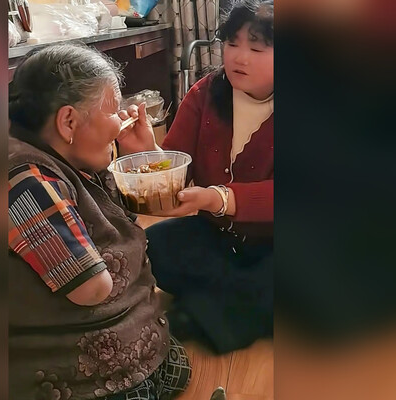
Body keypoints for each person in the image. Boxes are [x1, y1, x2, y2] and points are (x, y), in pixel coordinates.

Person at [8, 44, 191, 399]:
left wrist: (142, 155)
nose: (122, 120)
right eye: (114, 110)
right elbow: (92, 288)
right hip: (58, 362)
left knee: (173, 368)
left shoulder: (65, 154)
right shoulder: (24, 181)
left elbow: (155, 205)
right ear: (68, 122)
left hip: (118, 332)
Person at [117, 0, 274, 354]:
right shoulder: (205, 92)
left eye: (256, 48)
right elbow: (178, 170)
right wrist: (148, 152)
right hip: (218, 237)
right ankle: (242, 307)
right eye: (231, 43)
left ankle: (208, 313)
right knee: (152, 246)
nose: (239, 57)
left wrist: (220, 198)